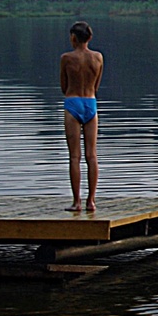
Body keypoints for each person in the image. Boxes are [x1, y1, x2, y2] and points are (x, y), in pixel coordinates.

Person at [59, 21, 104, 212]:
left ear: (73, 38)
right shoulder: (98, 58)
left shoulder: (67, 58)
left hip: (73, 103)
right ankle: (91, 201)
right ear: (90, 38)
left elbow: (63, 86)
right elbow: (96, 86)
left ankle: (77, 202)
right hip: (90, 104)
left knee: (74, 157)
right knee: (91, 156)